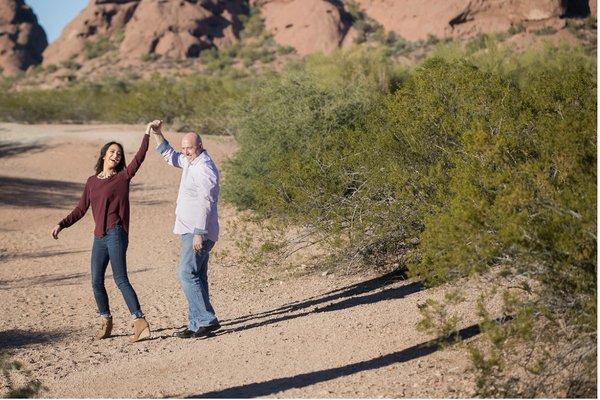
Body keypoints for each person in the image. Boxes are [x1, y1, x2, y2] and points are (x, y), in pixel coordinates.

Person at [51, 121, 160, 342]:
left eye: (119, 153)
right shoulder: (92, 182)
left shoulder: (123, 177)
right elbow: (81, 209)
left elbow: (140, 156)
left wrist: (147, 133)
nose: (116, 155)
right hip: (99, 236)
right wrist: (62, 224)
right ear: (103, 155)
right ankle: (105, 321)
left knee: (120, 278)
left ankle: (140, 322)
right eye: (112, 151)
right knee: (96, 281)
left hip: (116, 233)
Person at [150, 120, 221, 339]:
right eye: (184, 148)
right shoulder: (191, 162)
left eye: (189, 147)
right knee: (196, 275)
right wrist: (157, 133)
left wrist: (199, 232)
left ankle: (207, 320)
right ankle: (195, 324)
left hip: (198, 230)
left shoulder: (205, 168)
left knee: (186, 273)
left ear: (199, 145)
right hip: (189, 228)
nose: (185, 152)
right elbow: (170, 155)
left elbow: (206, 202)